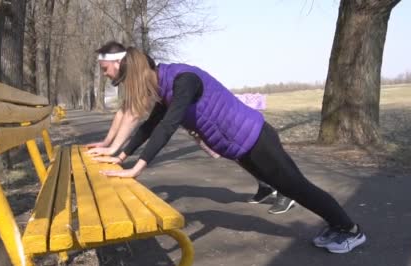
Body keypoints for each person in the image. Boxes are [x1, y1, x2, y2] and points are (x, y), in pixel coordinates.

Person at [91, 43, 366, 253]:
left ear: (135, 74)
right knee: (293, 187)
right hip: (241, 148)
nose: (127, 89)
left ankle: (350, 230)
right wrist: (119, 155)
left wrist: (136, 169)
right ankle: (337, 226)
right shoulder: (165, 88)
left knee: (298, 186)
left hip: (256, 138)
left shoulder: (183, 80)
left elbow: (168, 126)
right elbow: (151, 126)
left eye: (125, 82)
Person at [90, 41, 296, 215]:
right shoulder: (156, 85)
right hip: (208, 126)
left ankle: (286, 190)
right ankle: (267, 185)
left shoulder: (170, 78)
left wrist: (120, 155)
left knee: (257, 155)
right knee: (238, 154)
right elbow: (142, 120)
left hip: (232, 122)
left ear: (119, 62)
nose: (105, 74)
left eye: (105, 68)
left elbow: (137, 116)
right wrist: (114, 151)